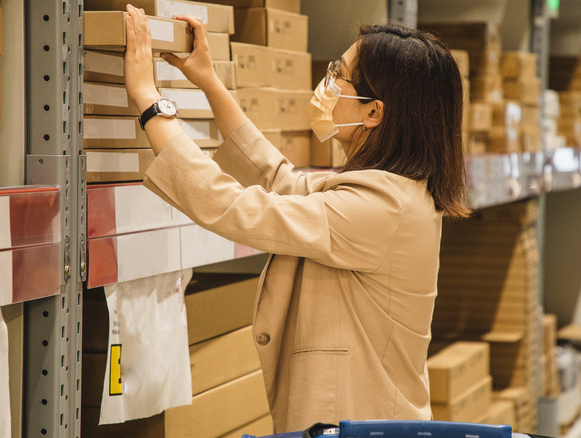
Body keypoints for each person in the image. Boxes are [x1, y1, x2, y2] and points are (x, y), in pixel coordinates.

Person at [122, 5, 469, 432]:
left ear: (374, 113)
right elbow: (282, 182)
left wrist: (149, 102)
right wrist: (210, 82)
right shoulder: (391, 191)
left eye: (337, 76)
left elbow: (236, 208)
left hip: (359, 426)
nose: (327, 85)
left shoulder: (382, 206)